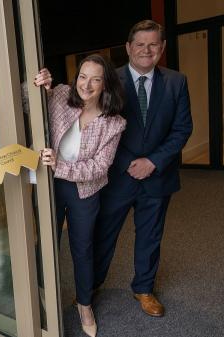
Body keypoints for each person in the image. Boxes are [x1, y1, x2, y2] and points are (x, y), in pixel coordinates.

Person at [93, 20, 193, 317]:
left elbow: (182, 128)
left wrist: (153, 161)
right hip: (117, 176)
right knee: (103, 234)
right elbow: (99, 128)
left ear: (161, 48)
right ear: (128, 48)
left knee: (150, 235)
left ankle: (144, 289)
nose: (146, 50)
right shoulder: (109, 80)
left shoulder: (177, 81)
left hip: (157, 175)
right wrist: (128, 163)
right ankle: (91, 287)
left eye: (153, 44)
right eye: (140, 44)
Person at [35, 54, 126, 337]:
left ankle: (84, 304)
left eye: (95, 79)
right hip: (49, 182)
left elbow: (100, 167)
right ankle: (41, 294)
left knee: (83, 248)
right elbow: (25, 102)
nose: (86, 84)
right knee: (45, 242)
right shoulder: (61, 94)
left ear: (105, 84)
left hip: (84, 190)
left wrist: (61, 166)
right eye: (82, 77)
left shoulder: (114, 123)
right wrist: (38, 83)